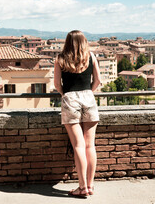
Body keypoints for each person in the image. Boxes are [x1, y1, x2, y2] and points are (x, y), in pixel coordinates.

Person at [54, 30, 101, 198]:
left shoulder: (60, 59)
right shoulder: (91, 57)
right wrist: (88, 92)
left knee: (78, 146)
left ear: (67, 42)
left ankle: (81, 188)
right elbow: (98, 81)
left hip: (70, 100)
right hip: (89, 99)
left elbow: (57, 85)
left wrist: (65, 94)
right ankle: (90, 186)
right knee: (90, 145)